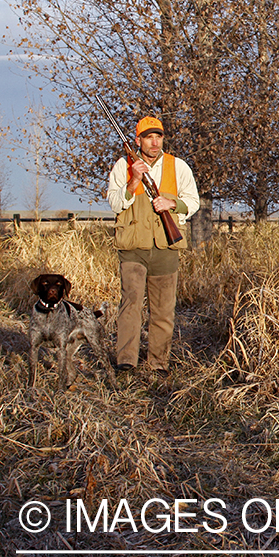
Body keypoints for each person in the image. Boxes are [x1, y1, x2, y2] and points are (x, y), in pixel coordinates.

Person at [106, 115, 199, 375]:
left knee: (162, 310)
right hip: (133, 247)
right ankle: (126, 361)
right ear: (139, 141)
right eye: (149, 137)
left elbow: (193, 201)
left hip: (166, 247)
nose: (155, 142)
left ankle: (158, 363)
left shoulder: (177, 166)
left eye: (158, 137)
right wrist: (134, 180)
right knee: (130, 305)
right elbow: (115, 203)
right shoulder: (123, 166)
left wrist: (173, 204)